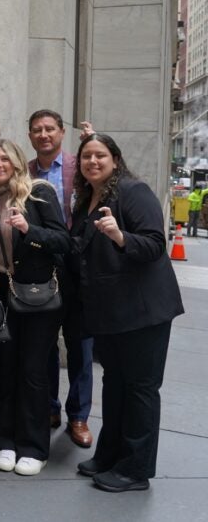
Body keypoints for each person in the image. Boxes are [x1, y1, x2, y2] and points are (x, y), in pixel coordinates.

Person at [70, 135, 184, 493]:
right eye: (86, 156)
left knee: (140, 389)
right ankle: (110, 455)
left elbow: (154, 243)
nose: (92, 161)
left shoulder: (134, 192)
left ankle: (135, 470)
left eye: (100, 155)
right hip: (110, 314)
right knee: (115, 384)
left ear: (115, 160)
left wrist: (121, 237)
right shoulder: (87, 199)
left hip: (143, 311)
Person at [0, 140, 70, 476]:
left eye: (5, 158)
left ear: (17, 163)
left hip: (38, 295)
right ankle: (6, 440)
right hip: (1, 292)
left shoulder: (39, 192)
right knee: (7, 367)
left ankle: (33, 446)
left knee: (32, 370)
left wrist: (29, 230)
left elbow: (63, 242)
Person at [27, 109, 94, 448]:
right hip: (41, 266)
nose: (44, 135)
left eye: (49, 129)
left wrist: (92, 145)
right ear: (30, 136)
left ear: (62, 132)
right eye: (37, 130)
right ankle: (50, 407)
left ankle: (79, 416)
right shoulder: (24, 172)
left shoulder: (78, 167)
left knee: (81, 343)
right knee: (45, 342)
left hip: (77, 267)